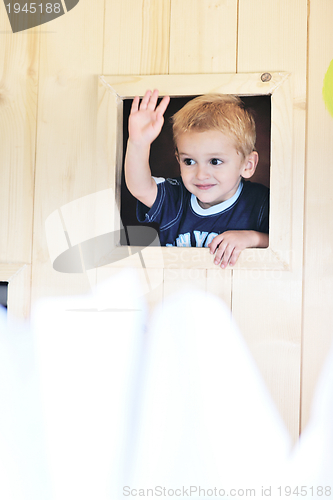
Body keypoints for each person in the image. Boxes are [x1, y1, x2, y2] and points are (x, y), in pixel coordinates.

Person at [125, 89, 269, 268]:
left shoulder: (261, 203)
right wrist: (138, 143)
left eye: (215, 161)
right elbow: (140, 188)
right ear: (178, 159)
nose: (201, 174)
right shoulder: (176, 197)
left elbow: (287, 243)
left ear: (247, 165)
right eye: (189, 161)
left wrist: (252, 238)